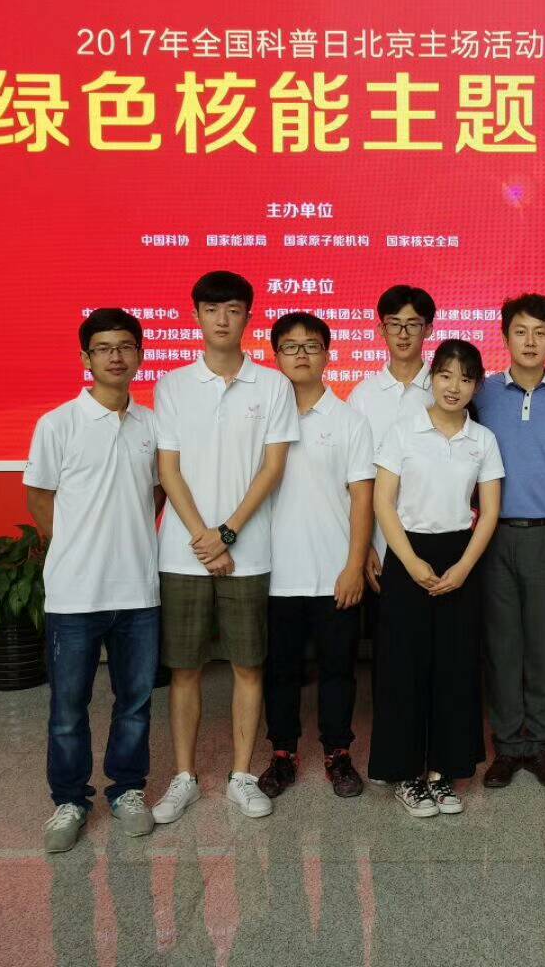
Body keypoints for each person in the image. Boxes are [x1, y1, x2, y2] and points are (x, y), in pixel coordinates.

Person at [150, 271, 299, 823]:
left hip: (249, 551)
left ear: (247, 317)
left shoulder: (273, 386)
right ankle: (184, 777)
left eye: (233, 309)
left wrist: (228, 533)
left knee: (248, 665)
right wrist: (204, 539)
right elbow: (169, 469)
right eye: (212, 309)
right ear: (195, 315)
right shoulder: (172, 385)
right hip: (183, 553)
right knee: (185, 668)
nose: (221, 319)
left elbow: (272, 468)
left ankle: (240, 774)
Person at [26, 308, 163, 853]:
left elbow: (158, 493)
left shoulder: (152, 425)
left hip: (138, 590)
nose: (115, 357)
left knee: (135, 701)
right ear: (86, 357)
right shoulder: (58, 423)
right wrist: (75, 547)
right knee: (68, 706)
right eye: (103, 348)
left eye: (125, 346)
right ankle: (70, 800)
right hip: (75, 593)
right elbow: (40, 496)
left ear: (139, 355)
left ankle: (127, 789)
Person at [368, 340, 504, 817]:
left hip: (460, 556)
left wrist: (464, 567)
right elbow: (383, 502)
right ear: (432, 378)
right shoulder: (403, 431)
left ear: (476, 386)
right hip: (408, 554)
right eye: (445, 375)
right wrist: (408, 562)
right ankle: (406, 773)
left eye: (465, 378)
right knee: (404, 669)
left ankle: (443, 772)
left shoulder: (482, 440)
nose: (454, 386)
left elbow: (489, 512)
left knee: (455, 668)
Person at [257, 312, 375, 801]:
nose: (301, 354)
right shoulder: (263, 420)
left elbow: (362, 499)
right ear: (276, 356)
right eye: (290, 346)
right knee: (280, 670)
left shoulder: (350, 421)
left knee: (338, 670)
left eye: (311, 345)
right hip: (274, 572)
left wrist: (353, 566)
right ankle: (282, 754)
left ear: (328, 354)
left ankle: (337, 753)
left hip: (334, 572)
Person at [471, 294, 545, 790]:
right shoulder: (482, 395)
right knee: (502, 645)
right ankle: (506, 745)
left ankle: (539, 745)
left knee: (542, 643)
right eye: (521, 331)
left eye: (541, 332)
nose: (530, 341)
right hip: (492, 535)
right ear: (505, 337)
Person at [348, 285, 438, 592]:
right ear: (381, 330)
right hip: (377, 544)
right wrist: (363, 547)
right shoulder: (362, 396)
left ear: (428, 329)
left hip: (434, 538)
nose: (403, 334)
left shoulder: (443, 392)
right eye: (394, 324)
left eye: (413, 325)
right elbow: (353, 481)